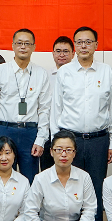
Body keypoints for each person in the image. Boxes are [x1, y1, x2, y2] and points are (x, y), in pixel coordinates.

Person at [0, 28, 52, 221]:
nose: (23, 47)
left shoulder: (41, 74)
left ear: (34, 47)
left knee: (30, 187)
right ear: (12, 45)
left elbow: (45, 109)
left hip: (31, 133)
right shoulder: (0, 72)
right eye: (19, 43)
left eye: (28, 43)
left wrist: (41, 139)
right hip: (5, 130)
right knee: (3, 184)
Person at [51, 26, 112, 221]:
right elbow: (56, 109)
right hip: (71, 141)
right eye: (79, 42)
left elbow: (111, 110)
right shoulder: (64, 73)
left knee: (95, 192)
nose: (83, 46)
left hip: (99, 140)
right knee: (70, 191)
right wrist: (57, 144)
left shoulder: (106, 71)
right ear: (74, 46)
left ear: (96, 45)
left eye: (88, 42)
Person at [40, 36, 76, 171]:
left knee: (71, 169)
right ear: (53, 53)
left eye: (66, 51)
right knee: (48, 169)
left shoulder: (78, 76)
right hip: (48, 129)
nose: (62, 55)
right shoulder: (45, 75)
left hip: (70, 127)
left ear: (73, 54)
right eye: (58, 51)